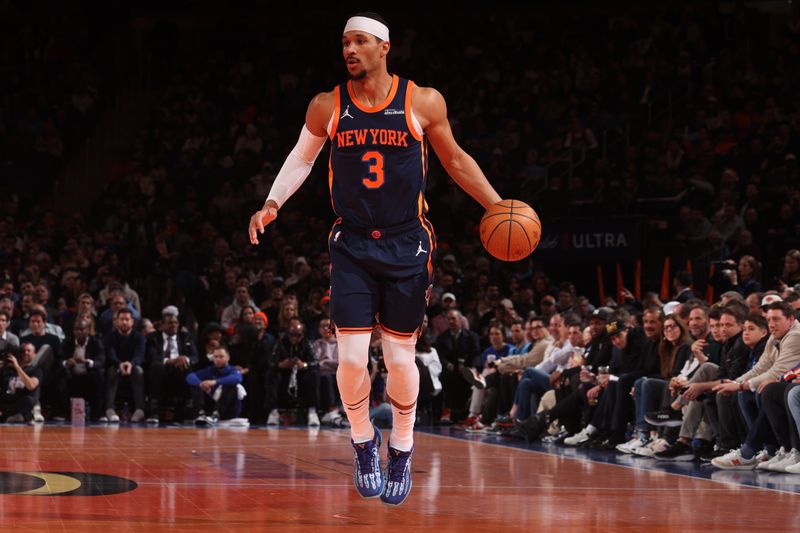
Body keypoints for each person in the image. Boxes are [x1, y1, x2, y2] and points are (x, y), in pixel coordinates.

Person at [247, 12, 502, 505]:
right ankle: (364, 441)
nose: (349, 50)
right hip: (353, 242)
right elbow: (302, 157)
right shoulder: (327, 105)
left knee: (400, 358)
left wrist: (495, 203)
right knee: (348, 356)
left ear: (385, 47)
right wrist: (272, 202)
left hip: (408, 242)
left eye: (360, 41)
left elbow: (454, 159)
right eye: (345, 42)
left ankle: (402, 447)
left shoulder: (422, 101)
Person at [186, 346, 243, 425]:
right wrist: (200, 384)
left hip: (229, 409)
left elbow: (237, 379)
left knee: (231, 385)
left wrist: (215, 382)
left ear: (228, 357)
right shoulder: (210, 370)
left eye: (221, 356)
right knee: (195, 383)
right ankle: (200, 413)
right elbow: (190, 376)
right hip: (211, 405)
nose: (218, 359)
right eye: (215, 357)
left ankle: (216, 414)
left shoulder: (233, 370)